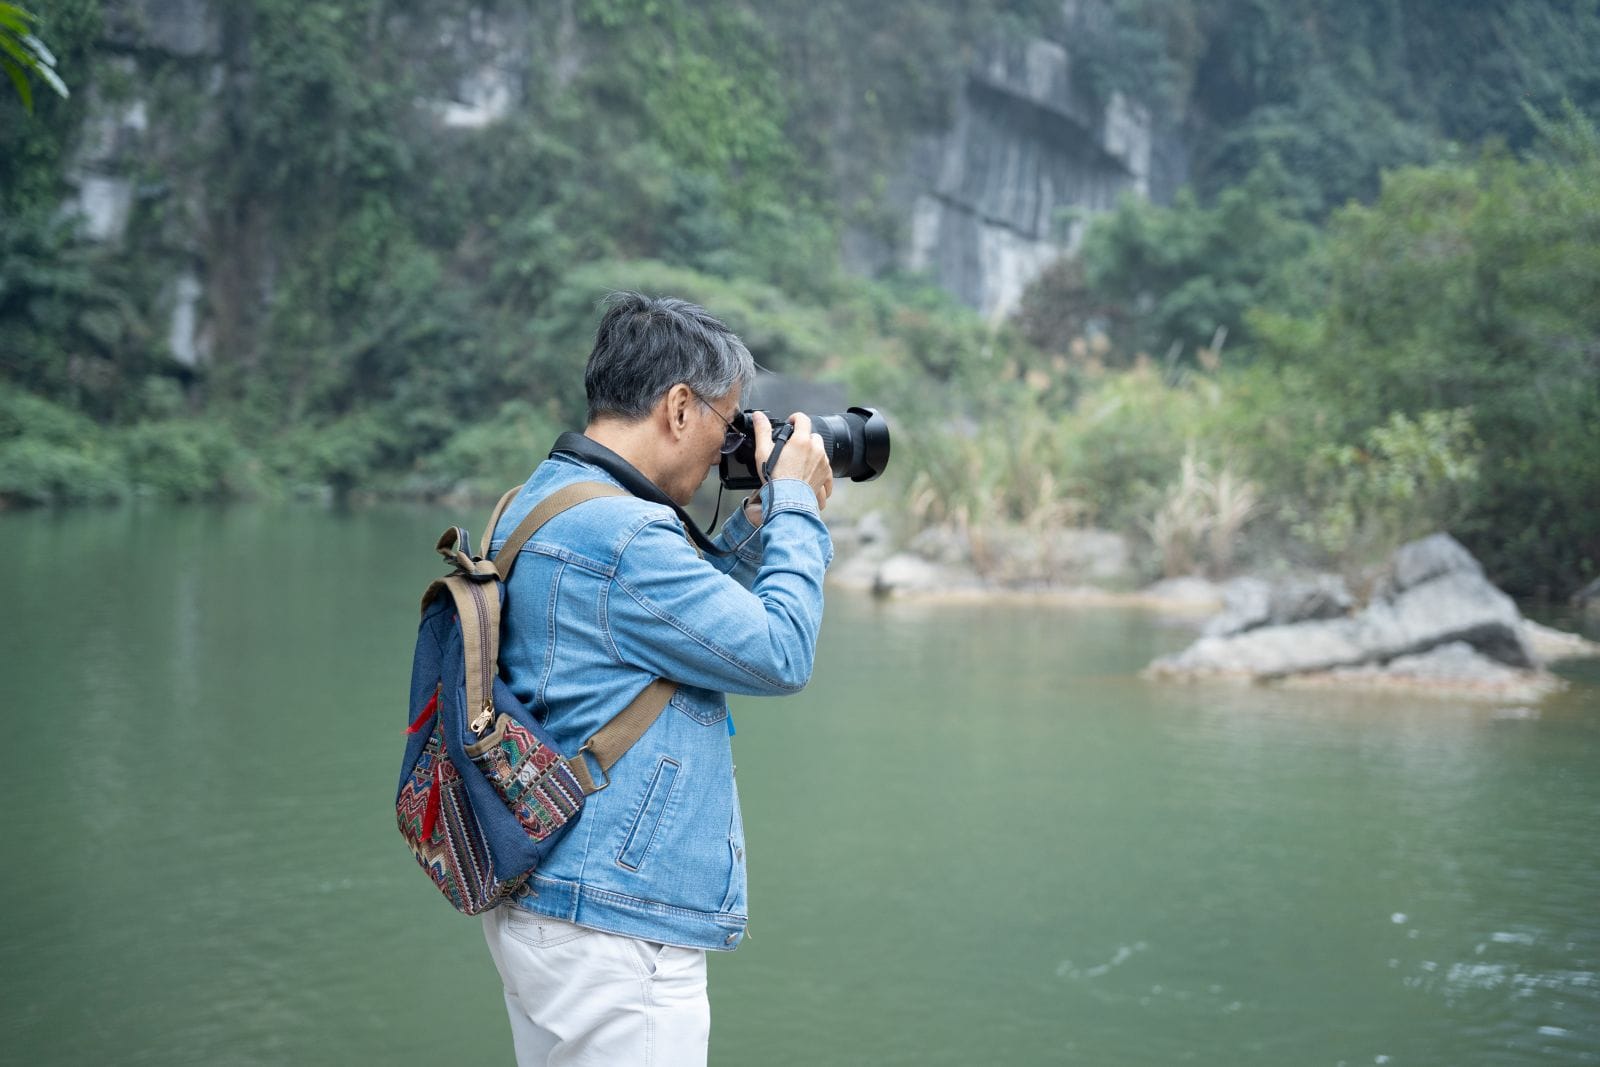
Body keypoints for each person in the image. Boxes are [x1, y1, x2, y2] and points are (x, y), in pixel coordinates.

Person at [479, 292, 834, 1066]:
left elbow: (663, 618)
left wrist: (752, 526)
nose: (726, 446)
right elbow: (780, 652)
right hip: (616, 927)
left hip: (554, 897)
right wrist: (799, 506)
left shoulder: (544, 499)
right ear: (679, 407)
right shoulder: (625, 532)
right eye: (726, 420)